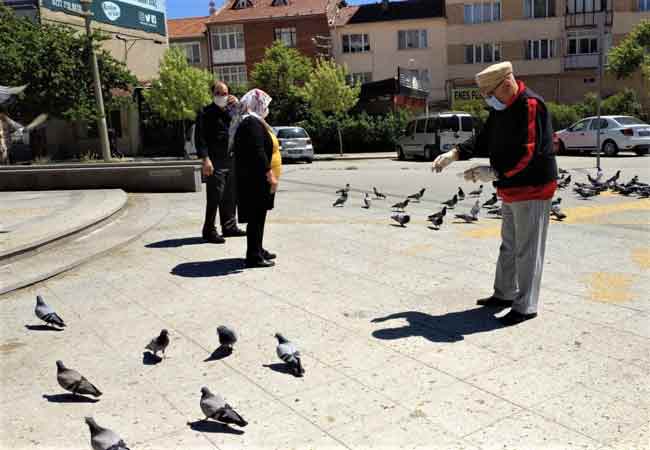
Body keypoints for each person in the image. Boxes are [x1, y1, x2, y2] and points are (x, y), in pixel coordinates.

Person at [432, 61, 557, 326]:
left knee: (528, 250)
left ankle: (525, 306)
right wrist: (454, 154)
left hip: (533, 188)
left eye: (491, 94)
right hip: (511, 188)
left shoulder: (530, 105)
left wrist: (496, 172)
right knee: (509, 245)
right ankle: (504, 294)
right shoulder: (501, 108)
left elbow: (528, 152)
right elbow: (484, 139)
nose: (489, 100)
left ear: (508, 84)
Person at [232, 89, 281, 268]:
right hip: (256, 180)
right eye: (264, 105)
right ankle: (254, 255)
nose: (266, 108)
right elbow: (258, 151)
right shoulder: (251, 123)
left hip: (255, 179)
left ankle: (258, 249)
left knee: (258, 216)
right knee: (256, 216)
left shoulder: (253, 121)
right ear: (256, 105)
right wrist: (269, 174)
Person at [195, 80, 246, 244]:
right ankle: (209, 230)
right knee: (215, 196)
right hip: (214, 160)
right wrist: (205, 159)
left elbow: (244, 123)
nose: (221, 96)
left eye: (224, 93)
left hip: (231, 158)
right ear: (212, 94)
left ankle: (229, 226)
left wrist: (237, 105)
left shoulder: (232, 112)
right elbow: (200, 138)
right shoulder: (205, 112)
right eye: (218, 93)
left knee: (231, 196)